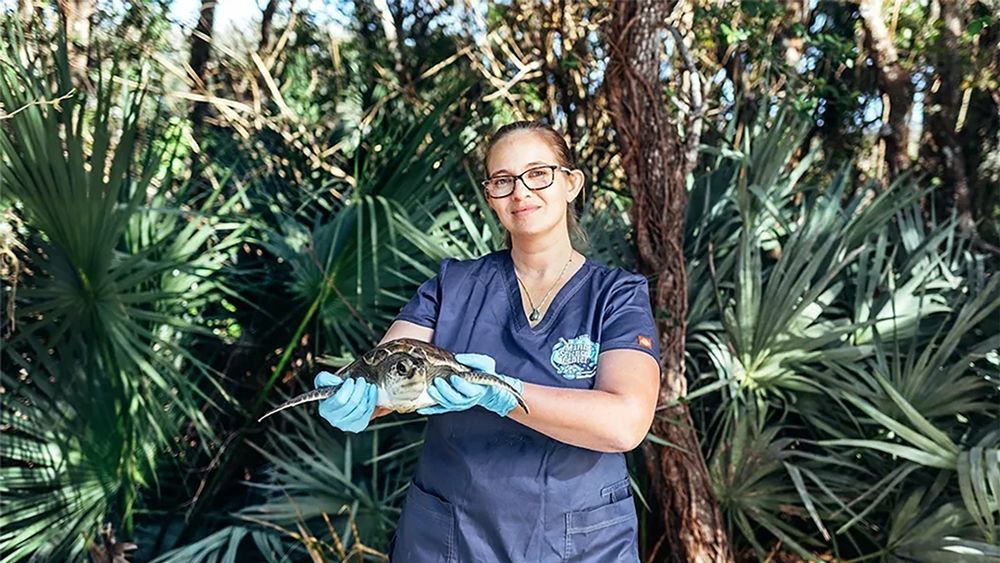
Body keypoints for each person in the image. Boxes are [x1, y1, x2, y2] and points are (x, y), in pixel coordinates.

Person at [313, 120, 661, 562]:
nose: (520, 191)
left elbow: (624, 423)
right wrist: (357, 396)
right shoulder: (450, 285)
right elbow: (392, 370)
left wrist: (502, 394)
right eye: (502, 181)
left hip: (578, 541)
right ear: (490, 197)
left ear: (571, 183)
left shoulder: (616, 295)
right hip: (451, 538)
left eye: (538, 173)